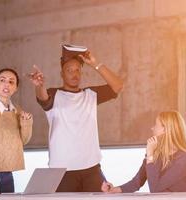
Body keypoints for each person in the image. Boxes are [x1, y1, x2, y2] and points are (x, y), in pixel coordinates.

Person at [27, 44, 123, 192]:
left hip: (91, 169)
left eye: (78, 70)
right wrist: (39, 85)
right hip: (62, 171)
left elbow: (118, 85)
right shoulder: (54, 94)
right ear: (62, 74)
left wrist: (96, 64)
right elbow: (43, 97)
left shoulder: (91, 95)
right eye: (69, 70)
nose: (74, 74)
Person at [101, 111, 186, 193]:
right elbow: (137, 182)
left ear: (165, 129)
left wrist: (150, 155)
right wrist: (115, 189)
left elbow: (155, 189)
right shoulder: (156, 153)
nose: (152, 128)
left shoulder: (184, 158)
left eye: (156, 125)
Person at [0, 68, 33, 195]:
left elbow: (23, 141)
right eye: (2, 80)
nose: (6, 84)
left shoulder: (17, 110)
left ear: (16, 88)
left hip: (8, 174)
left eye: (11, 82)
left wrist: (27, 123)